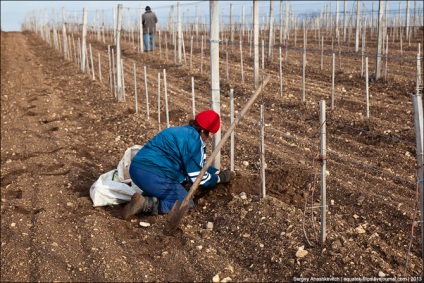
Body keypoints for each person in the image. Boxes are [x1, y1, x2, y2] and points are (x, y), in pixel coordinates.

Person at [122, 110, 231, 219]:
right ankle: (146, 204)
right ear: (202, 130)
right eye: (211, 133)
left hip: (137, 169)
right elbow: (197, 177)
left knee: (178, 185)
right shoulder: (194, 141)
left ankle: (147, 196)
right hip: (153, 174)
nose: (211, 137)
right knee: (185, 204)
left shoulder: (183, 131)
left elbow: (196, 165)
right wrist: (218, 178)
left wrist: (214, 171)